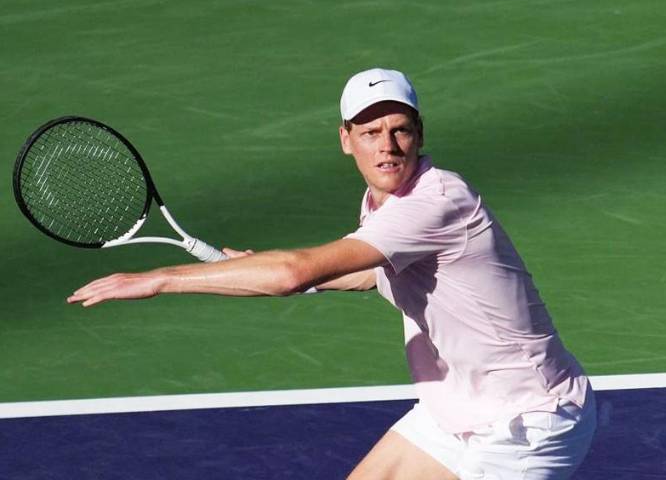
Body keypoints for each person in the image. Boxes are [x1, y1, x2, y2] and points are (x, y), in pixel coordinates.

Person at [68, 68, 596, 479]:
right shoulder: (383, 204)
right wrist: (256, 266)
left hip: (526, 425)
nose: (387, 146)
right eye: (370, 132)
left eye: (400, 130)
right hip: (457, 408)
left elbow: (293, 275)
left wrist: (160, 279)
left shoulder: (435, 201)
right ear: (346, 139)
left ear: (419, 134)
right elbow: (364, 274)